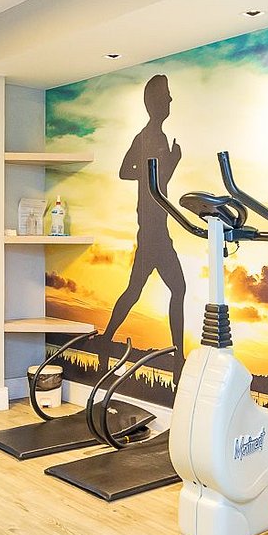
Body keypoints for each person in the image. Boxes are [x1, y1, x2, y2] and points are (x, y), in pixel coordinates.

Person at [103, 74, 186, 362]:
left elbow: (155, 183)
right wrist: (168, 163)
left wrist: (166, 164)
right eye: (167, 95)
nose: (171, 99)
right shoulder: (148, 137)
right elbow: (128, 172)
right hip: (152, 231)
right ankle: (178, 356)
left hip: (157, 228)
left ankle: (106, 341)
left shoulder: (155, 137)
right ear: (155, 102)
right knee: (168, 289)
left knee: (139, 290)